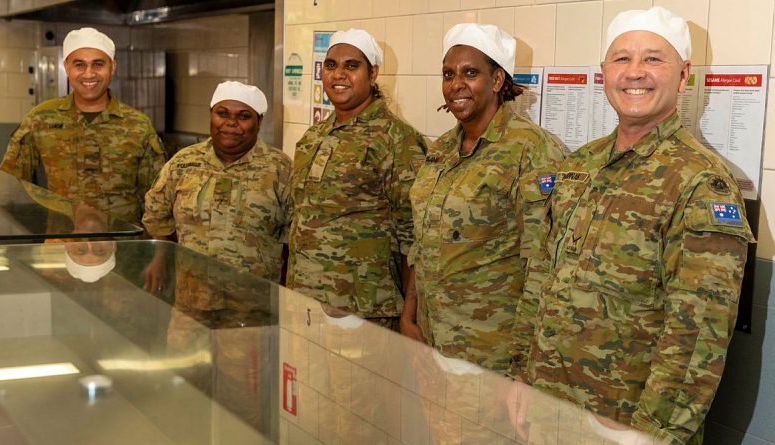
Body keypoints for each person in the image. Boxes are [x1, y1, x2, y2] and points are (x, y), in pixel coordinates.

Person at [507, 7, 755, 444]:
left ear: (684, 76)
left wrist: (654, 434)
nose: (635, 72)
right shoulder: (580, 166)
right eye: (621, 59)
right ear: (604, 72)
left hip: (625, 427)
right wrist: (521, 375)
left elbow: (697, 334)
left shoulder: (701, 183)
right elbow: (542, 277)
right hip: (551, 411)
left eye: (654, 59)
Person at [400, 23, 564, 372]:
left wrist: (523, 363)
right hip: (433, 341)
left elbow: (543, 265)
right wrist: (410, 312)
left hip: (492, 353)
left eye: (470, 72)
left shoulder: (532, 150)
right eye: (448, 74)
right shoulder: (441, 149)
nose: (455, 84)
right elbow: (422, 240)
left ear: (497, 80)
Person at [287, 28, 427, 328]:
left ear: (372, 73)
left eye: (352, 66)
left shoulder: (396, 139)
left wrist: (409, 315)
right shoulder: (314, 137)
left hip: (363, 311)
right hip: (305, 304)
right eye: (331, 65)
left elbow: (414, 236)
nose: (339, 75)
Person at [0, 27, 165, 225]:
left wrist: (155, 252)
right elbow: (8, 182)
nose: (89, 74)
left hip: (123, 247)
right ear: (66, 67)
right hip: (62, 245)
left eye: (98, 64)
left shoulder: (138, 125)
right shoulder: (41, 118)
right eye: (79, 65)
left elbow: (158, 198)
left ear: (112, 67)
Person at [143, 81, 292, 284]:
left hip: (255, 304)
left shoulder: (280, 169)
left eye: (243, 116)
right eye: (222, 113)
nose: (231, 123)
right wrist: (160, 260)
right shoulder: (183, 163)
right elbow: (157, 219)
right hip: (191, 300)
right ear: (211, 114)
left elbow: (296, 240)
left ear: (259, 120)